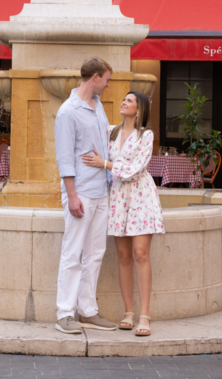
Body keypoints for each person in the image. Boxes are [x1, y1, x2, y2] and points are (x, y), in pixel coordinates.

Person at [83, 91, 164, 337]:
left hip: (140, 196)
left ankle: (144, 316)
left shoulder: (146, 135)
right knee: (123, 255)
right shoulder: (111, 132)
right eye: (124, 99)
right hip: (118, 197)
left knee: (141, 254)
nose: (123, 102)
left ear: (139, 110)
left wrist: (106, 165)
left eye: (129, 100)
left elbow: (136, 169)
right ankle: (128, 312)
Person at [52, 57, 118, 335]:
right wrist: (72, 195)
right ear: (94, 77)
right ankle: (64, 314)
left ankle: (87, 310)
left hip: (102, 190)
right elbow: (64, 157)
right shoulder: (68, 112)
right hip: (81, 193)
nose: (108, 84)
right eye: (106, 79)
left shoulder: (98, 105)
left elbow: (103, 139)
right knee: (72, 253)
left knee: (96, 253)